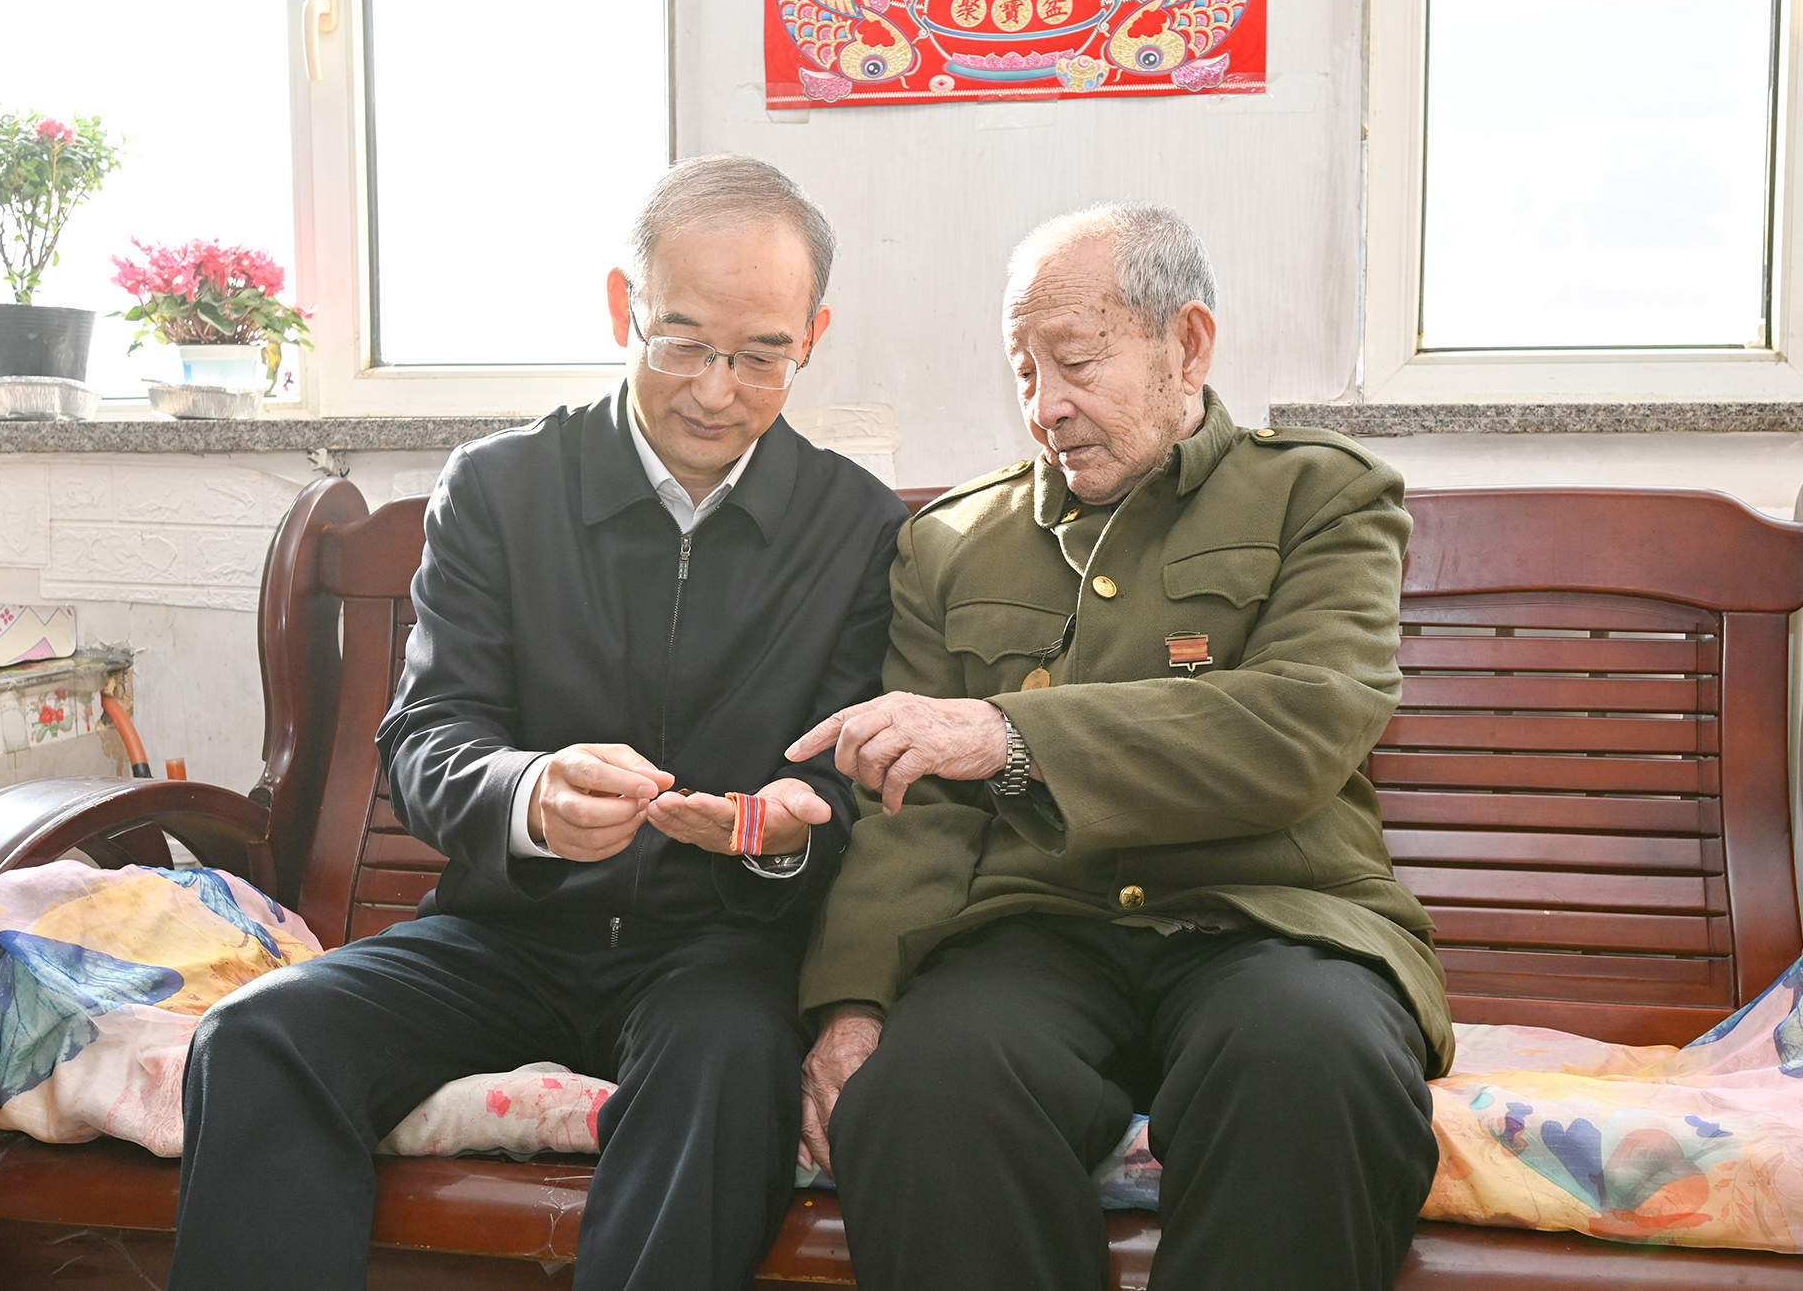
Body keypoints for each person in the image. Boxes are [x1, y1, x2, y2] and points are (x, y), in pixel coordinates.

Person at [167, 155, 910, 1291]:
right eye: (682, 342)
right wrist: (529, 793)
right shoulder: (499, 488)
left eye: (761, 356)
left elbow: (849, 786)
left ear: (812, 335)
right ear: (622, 308)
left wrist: (783, 830)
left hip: (716, 950)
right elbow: (427, 736)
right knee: (259, 1037)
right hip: (502, 935)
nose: (717, 390)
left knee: (728, 1063)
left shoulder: (856, 527)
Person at [787, 202, 1452, 1291]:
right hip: (1037, 931)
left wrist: (1004, 731)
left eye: (1078, 361)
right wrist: (852, 1004)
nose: (1046, 405)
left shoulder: (1322, 497)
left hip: (1275, 923)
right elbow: (917, 809)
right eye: (1024, 371)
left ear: (1187, 344)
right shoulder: (950, 543)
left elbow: (1300, 723)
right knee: (921, 1095)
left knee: (1311, 1066)